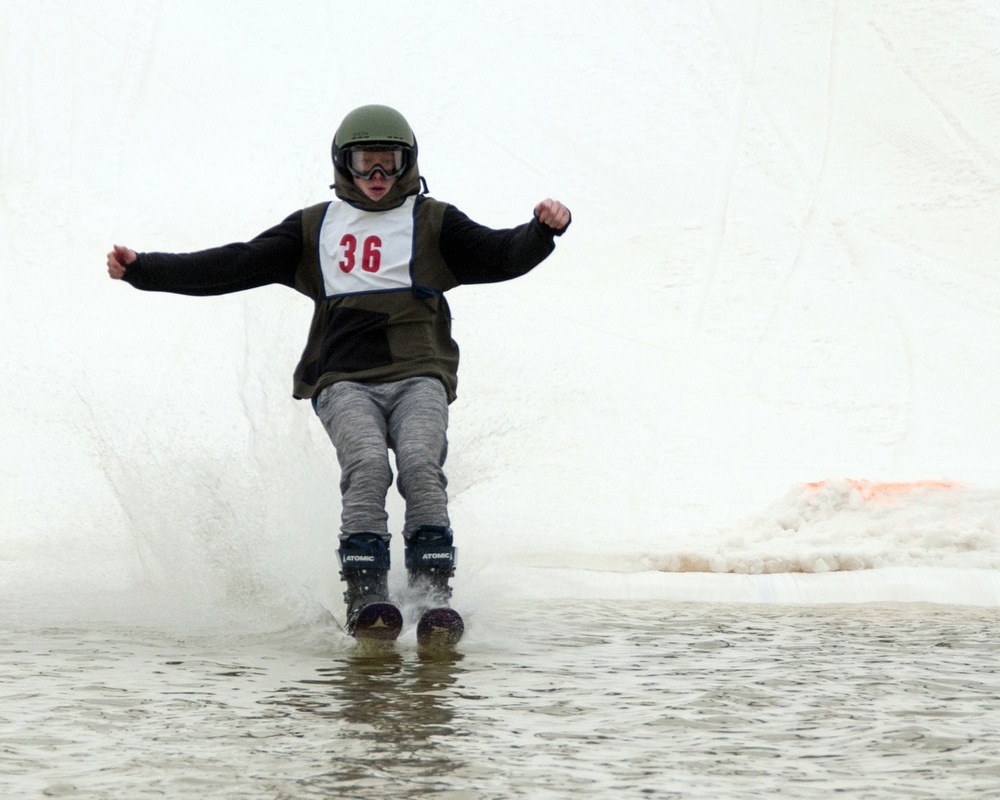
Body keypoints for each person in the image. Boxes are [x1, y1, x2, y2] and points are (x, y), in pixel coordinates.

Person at [107, 104, 571, 635]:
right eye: (364, 165)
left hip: (421, 373)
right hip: (344, 380)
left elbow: (501, 254)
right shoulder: (314, 228)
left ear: (409, 164)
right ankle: (367, 598)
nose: (377, 178)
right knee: (369, 465)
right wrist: (145, 270)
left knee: (421, 463)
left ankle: (431, 598)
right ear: (341, 166)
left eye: (389, 164)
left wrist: (540, 232)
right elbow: (233, 263)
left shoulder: (433, 222)